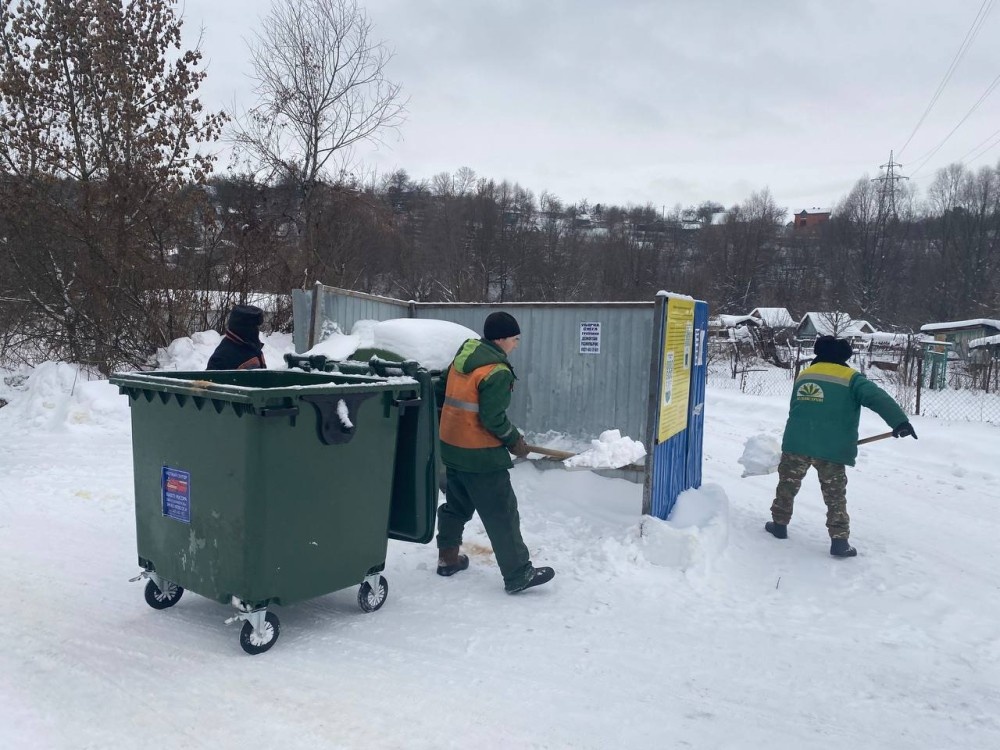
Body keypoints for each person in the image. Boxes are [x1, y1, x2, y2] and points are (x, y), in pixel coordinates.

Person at [435, 311, 555, 593]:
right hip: (481, 456)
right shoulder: (496, 371)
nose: (516, 344)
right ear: (501, 339)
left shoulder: (464, 356)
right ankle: (518, 575)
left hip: (452, 447)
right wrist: (514, 441)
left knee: (456, 505)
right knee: (502, 513)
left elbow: (440, 391)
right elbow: (493, 418)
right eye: (515, 339)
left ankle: (447, 558)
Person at [765, 335, 917, 557]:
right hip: (831, 447)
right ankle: (839, 542)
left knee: (787, 486)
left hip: (797, 443)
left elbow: (797, 408)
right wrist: (900, 422)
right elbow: (878, 398)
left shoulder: (805, 375)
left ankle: (779, 525)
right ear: (844, 356)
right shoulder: (852, 378)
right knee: (835, 495)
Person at [206, 305, 267, 370]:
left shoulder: (251, 347)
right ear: (242, 327)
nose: (256, 330)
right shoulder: (222, 357)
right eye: (253, 326)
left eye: (256, 326)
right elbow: (211, 375)